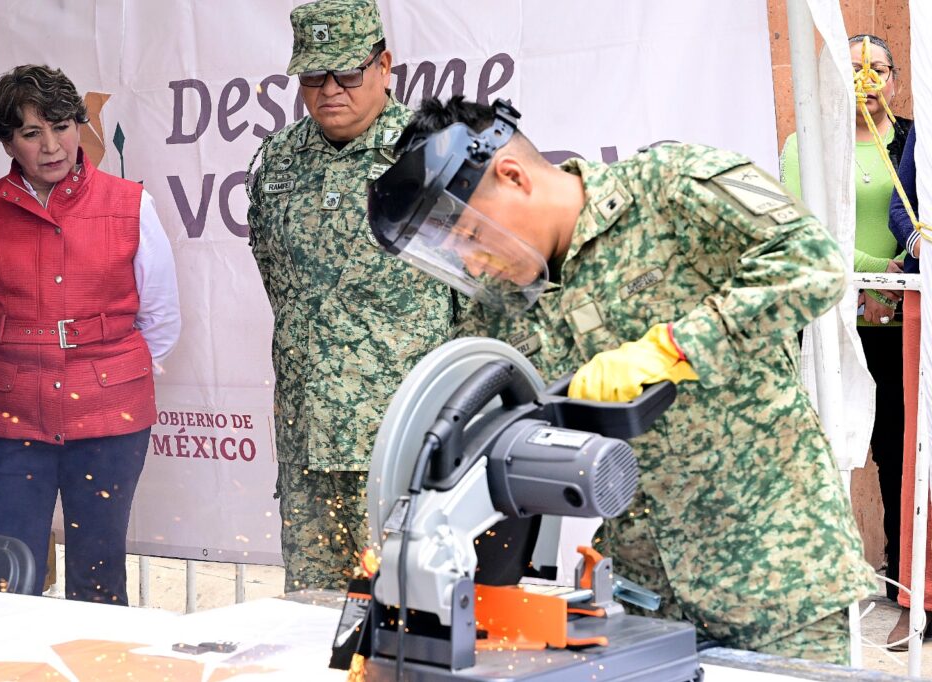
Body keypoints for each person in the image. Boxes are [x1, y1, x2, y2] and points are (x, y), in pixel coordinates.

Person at [367, 95, 875, 663]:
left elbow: (814, 260)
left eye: (469, 235)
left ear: (512, 176)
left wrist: (672, 347)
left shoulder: (667, 188)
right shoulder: (504, 307)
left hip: (780, 580)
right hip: (643, 607)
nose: (475, 263)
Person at [0, 64, 181, 604]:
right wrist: (19, 368)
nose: (52, 146)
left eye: (62, 126)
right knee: (7, 573)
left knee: (99, 573)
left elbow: (162, 320)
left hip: (109, 417)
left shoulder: (130, 203)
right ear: (8, 141)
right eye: (32, 133)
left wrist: (108, 377)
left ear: (80, 125)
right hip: (11, 418)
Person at [244, 0, 454, 592]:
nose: (330, 90)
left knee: (410, 613)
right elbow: (278, 279)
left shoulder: (432, 156)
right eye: (313, 76)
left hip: (404, 440)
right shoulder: (278, 161)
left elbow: (483, 301)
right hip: (308, 439)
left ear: (384, 65)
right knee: (312, 618)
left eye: (347, 73)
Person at [780, 34, 911, 625]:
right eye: (855, 70)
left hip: (903, 320)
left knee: (897, 448)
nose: (868, 81)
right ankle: (823, 576)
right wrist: (872, 275)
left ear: (894, 78)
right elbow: (806, 233)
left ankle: (904, 581)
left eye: (878, 69)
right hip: (833, 317)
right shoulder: (806, 144)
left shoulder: (913, 141)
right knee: (829, 445)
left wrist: (899, 283)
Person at [886, 124, 932, 646]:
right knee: (920, 446)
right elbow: (900, 208)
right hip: (926, 289)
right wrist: (921, 241)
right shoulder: (923, 127)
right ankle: (917, 598)